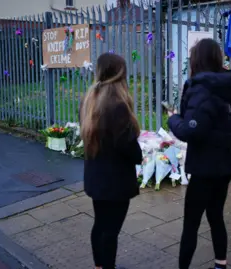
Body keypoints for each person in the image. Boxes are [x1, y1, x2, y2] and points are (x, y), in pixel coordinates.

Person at [167, 38, 231, 269]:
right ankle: (220, 265)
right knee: (216, 216)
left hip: (204, 167)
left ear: (198, 60)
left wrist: (173, 118)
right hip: (224, 163)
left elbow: (192, 130)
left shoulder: (203, 88)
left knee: (191, 224)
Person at [80, 53, 142, 269]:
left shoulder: (89, 100)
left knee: (100, 224)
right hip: (115, 183)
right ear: (120, 74)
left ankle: (99, 266)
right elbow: (131, 151)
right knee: (111, 231)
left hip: (96, 178)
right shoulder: (118, 106)